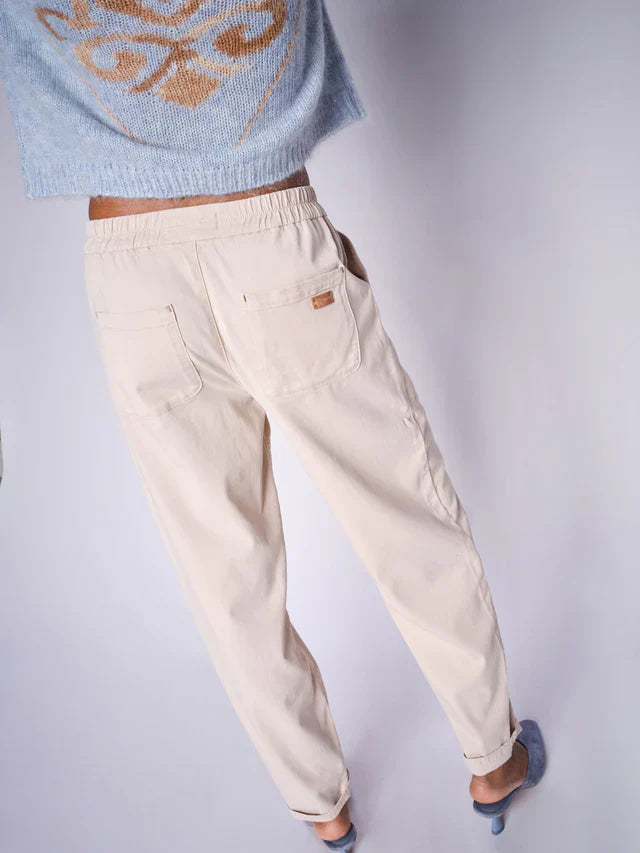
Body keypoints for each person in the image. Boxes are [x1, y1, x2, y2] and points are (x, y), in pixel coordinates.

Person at [0, 1, 545, 848]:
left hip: (129, 266)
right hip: (268, 235)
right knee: (402, 512)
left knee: (224, 567)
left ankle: (320, 804)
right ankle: (492, 758)